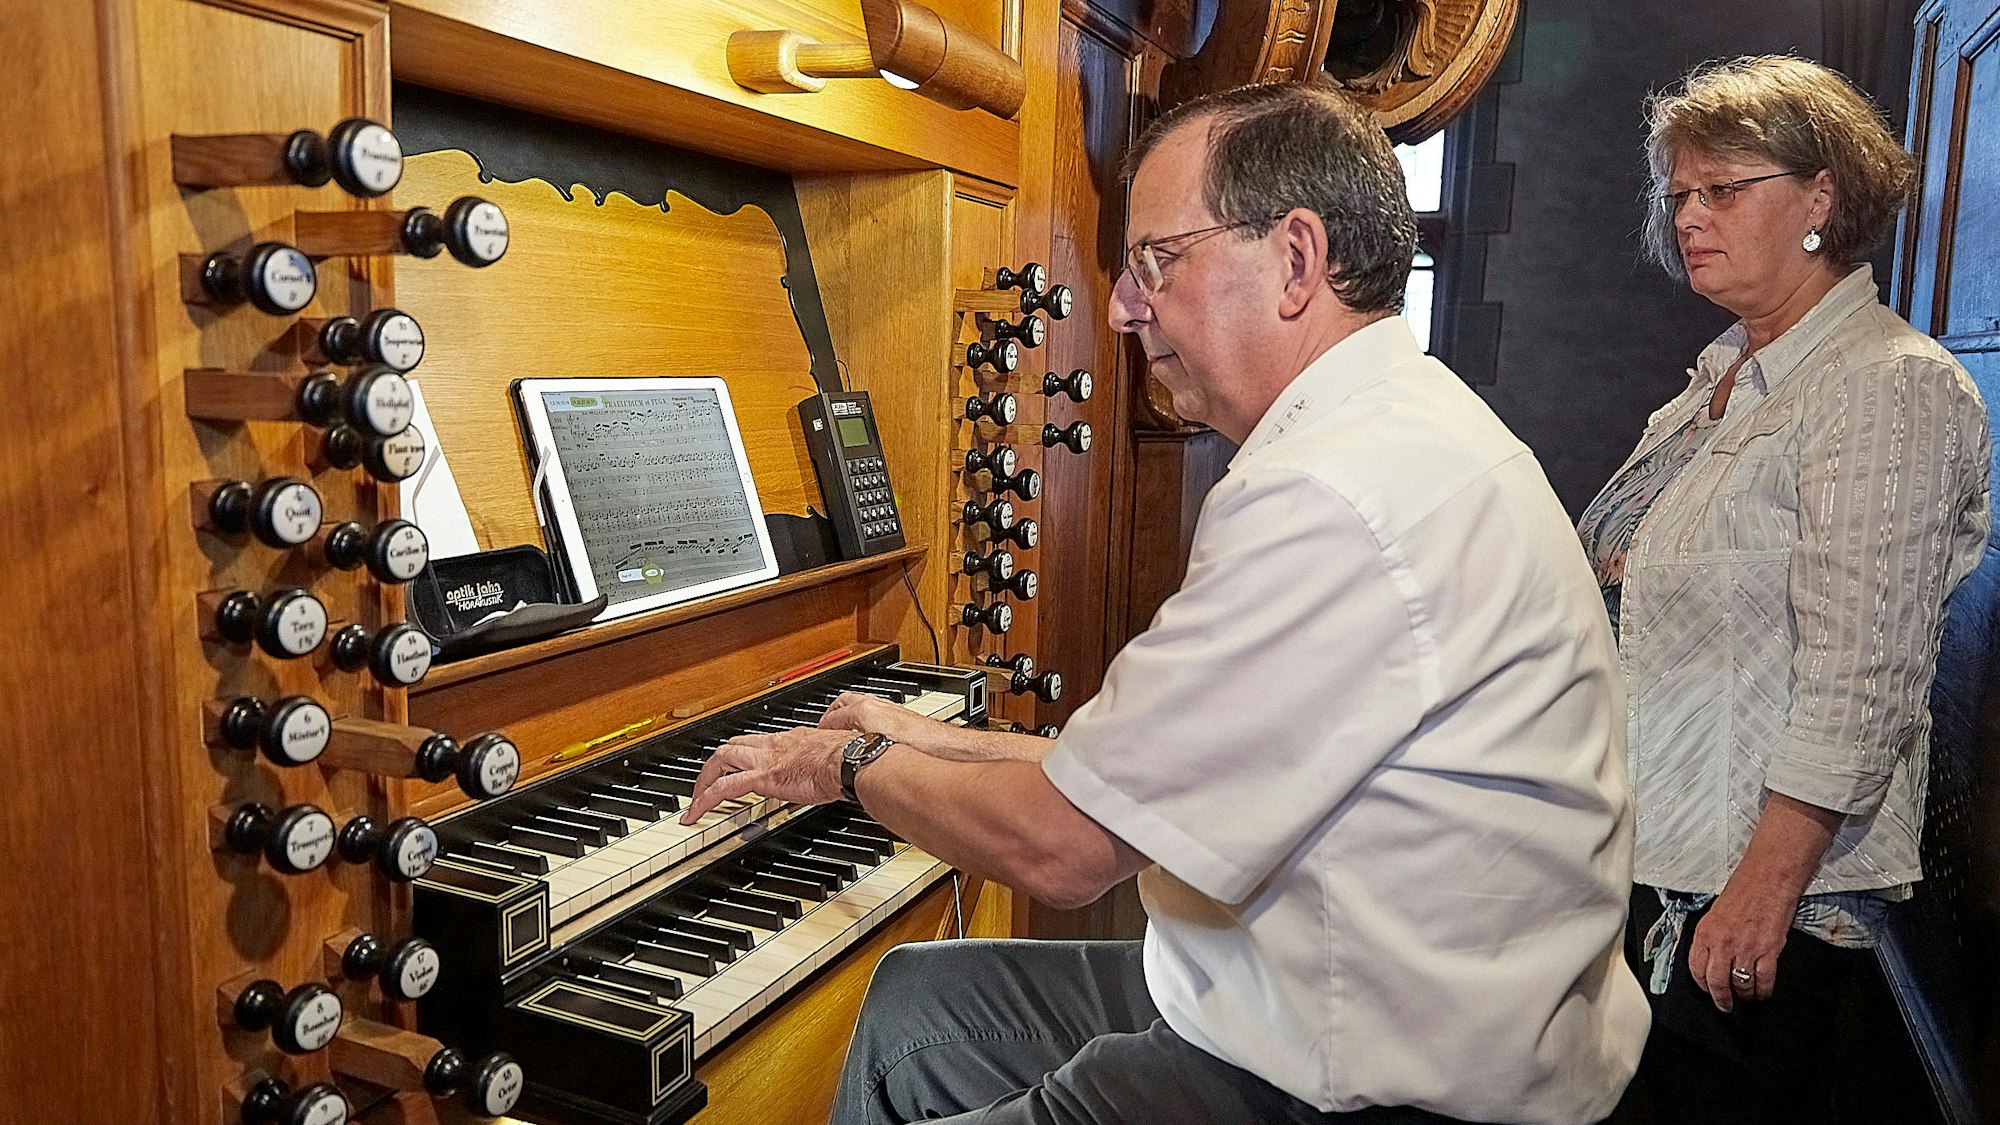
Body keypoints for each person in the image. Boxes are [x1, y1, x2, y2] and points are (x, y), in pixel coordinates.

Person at [683, 78, 1648, 1125]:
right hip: (1341, 997)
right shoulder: (1394, 424)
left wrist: (847, 764)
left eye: (1155, 260)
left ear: (1293, 260)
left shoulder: (1332, 494)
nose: (1119, 307)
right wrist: (918, 735)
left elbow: (1064, 849)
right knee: (921, 1005)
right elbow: (1122, 784)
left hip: (1352, 1082)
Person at [1574, 55, 1990, 1122]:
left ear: (1821, 197)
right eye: (1677, 195)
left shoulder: (1886, 385)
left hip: (1765, 905)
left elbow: (1863, 675)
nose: (1687, 217)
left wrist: (1761, 889)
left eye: (1722, 189)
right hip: (1654, 870)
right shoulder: (1717, 380)